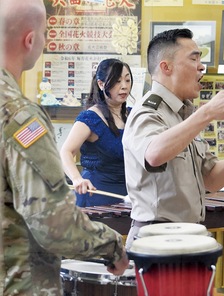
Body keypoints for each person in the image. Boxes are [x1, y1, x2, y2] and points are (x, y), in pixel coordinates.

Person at [0, 0, 129, 294]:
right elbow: (52, 224)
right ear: (30, 40)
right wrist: (111, 246)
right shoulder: (19, 116)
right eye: (45, 34)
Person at [122, 28, 224, 249]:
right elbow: (154, 154)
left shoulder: (184, 115)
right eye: (194, 58)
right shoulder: (148, 111)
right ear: (165, 67)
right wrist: (206, 113)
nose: (201, 67)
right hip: (155, 239)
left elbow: (212, 179)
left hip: (189, 235)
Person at [60, 58, 133, 207]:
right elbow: (66, 151)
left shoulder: (133, 115)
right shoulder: (90, 118)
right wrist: (76, 179)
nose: (124, 87)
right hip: (96, 194)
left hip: (129, 194)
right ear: (101, 84)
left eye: (127, 80)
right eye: (117, 81)